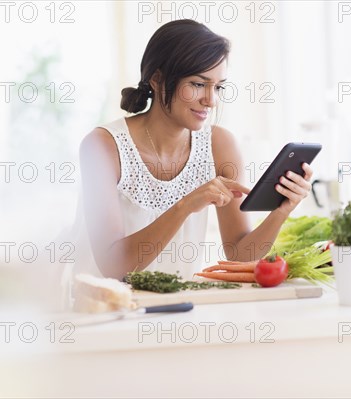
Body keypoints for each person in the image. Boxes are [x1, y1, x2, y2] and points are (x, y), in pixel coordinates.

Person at [78, 19, 313, 280]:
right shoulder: (102, 147)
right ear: (157, 79)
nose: (210, 100)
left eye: (218, 86)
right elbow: (113, 266)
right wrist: (186, 205)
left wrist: (281, 211)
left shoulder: (220, 145)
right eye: (198, 84)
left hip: (178, 307)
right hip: (106, 311)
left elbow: (239, 254)